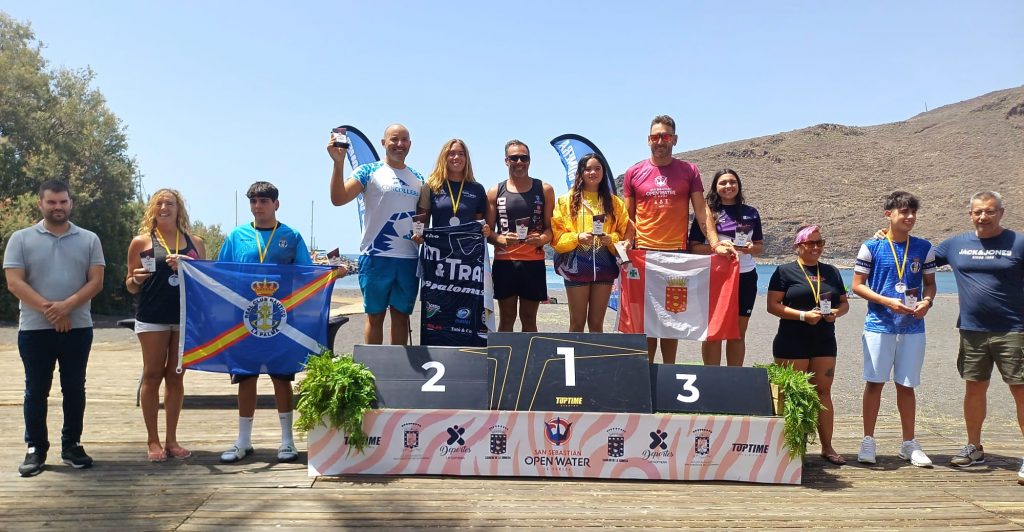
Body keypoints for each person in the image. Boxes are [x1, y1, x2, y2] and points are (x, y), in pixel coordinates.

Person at [4, 180, 105, 477]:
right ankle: (35, 448)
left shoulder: (89, 239)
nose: (58, 207)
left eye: (63, 202)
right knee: (36, 390)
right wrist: (52, 310)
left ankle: (72, 444)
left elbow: (96, 282)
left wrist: (67, 307)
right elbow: (15, 282)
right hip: (35, 329)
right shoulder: (20, 239)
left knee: (74, 388)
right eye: (52, 202)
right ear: (40, 204)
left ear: (71, 203)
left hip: (78, 327)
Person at [623, 115, 733, 364]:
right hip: (643, 254)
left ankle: (668, 374)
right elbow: (627, 217)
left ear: (675, 139)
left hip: (676, 254)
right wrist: (626, 243)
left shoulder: (688, 170)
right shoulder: (634, 172)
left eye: (665, 136)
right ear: (648, 140)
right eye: (655, 136)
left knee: (671, 317)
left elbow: (701, 209)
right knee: (646, 321)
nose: (660, 141)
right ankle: (646, 373)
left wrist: (715, 243)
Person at [217, 181, 312, 464]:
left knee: (281, 376)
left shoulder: (290, 235)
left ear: (276, 204)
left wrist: (333, 272)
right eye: (254, 201)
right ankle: (243, 441)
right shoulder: (237, 236)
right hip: (244, 317)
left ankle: (287, 441)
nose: (258, 206)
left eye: (264, 201)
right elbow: (219, 273)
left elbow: (307, 272)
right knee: (245, 375)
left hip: (282, 316)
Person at [932, 191, 1023, 484]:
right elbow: (916, 258)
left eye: (989, 211)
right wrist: (887, 236)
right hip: (972, 330)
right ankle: (974, 447)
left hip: (1014, 329)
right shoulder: (956, 244)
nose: (983, 217)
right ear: (970, 214)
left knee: (1020, 391)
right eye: (978, 212)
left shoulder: (1018, 243)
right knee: (974, 389)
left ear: (1001, 212)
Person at [852, 191, 936, 467]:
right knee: (875, 383)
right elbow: (857, 285)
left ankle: (909, 443)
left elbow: (930, 284)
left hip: (913, 326)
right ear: (889, 214)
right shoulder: (871, 246)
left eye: (913, 212)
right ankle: (868, 441)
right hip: (879, 325)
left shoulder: (924, 247)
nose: (910, 217)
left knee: (907, 385)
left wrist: (927, 301)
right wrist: (886, 300)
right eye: (903, 212)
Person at [124, 189, 206, 462]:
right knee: (152, 375)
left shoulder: (195, 243)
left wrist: (189, 266)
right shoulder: (141, 242)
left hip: (184, 318)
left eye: (169, 203)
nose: (163, 207)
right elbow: (130, 286)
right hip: (152, 317)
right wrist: (136, 279)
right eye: (158, 203)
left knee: (176, 377)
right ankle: (153, 440)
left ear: (179, 209)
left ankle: (172, 440)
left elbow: (205, 284)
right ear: (152, 209)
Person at [328, 124, 423, 344]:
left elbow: (423, 218)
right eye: (394, 139)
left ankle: (395, 370)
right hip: (375, 256)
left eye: (404, 140)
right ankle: (373, 371)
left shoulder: (419, 178)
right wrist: (338, 163)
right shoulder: (368, 171)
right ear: (383, 142)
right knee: (375, 316)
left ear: (410, 144)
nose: (399, 144)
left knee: (401, 317)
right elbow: (338, 198)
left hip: (408, 258)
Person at [766, 225, 849, 465]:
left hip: (824, 339)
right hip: (792, 338)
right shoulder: (784, 271)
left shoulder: (832, 271)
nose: (815, 247)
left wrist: (835, 312)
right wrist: (803, 315)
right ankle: (793, 447)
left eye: (819, 243)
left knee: (823, 392)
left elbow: (844, 303)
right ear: (798, 246)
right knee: (793, 393)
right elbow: (773, 306)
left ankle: (827, 447)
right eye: (810, 243)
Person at [688, 169, 763, 366]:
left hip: (745, 276)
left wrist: (749, 248)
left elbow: (759, 247)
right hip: (715, 277)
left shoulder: (751, 212)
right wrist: (717, 249)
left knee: (738, 333)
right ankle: (712, 377)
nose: (728, 186)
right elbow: (693, 247)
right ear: (715, 187)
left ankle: (734, 379)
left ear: (738, 186)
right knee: (714, 331)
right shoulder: (707, 213)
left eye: (732, 182)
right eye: (723, 183)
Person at [551, 153, 629, 332]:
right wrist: (577, 238)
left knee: (596, 325)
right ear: (580, 173)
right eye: (587, 169)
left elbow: (622, 234)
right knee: (577, 324)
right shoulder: (565, 201)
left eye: (597, 168)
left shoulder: (615, 203)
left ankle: (594, 360)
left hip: (604, 268)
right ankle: (574, 360)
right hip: (576, 267)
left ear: (603, 172)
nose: (592, 172)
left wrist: (611, 240)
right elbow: (557, 239)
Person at [486, 139, 555, 332]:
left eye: (523, 158)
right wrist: (499, 239)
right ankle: (502, 361)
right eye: (514, 158)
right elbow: (487, 230)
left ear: (530, 160)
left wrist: (541, 239)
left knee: (529, 319)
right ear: (506, 160)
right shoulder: (494, 191)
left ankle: (531, 362)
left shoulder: (544, 189)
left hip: (533, 263)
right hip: (505, 262)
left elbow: (551, 229)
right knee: (507, 318)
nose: (519, 162)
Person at [412, 139, 490, 235]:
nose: (456, 157)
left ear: (466, 158)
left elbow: (479, 225)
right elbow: (423, 222)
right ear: (444, 157)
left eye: (461, 154)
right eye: (451, 153)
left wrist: (485, 230)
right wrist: (419, 236)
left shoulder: (478, 189)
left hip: (467, 248)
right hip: (438, 247)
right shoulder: (430, 186)